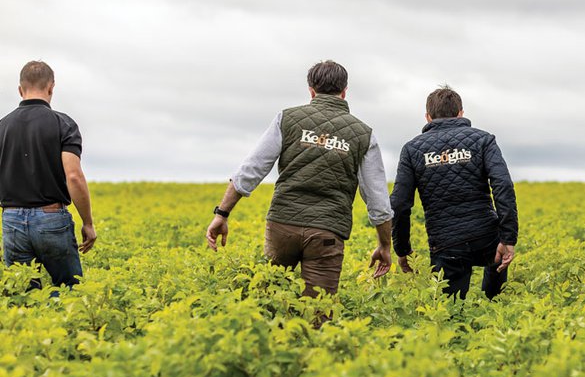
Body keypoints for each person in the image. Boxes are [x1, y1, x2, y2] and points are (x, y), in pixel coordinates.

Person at [205, 60, 393, 296]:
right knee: (318, 311)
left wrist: (222, 214)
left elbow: (251, 170)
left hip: (281, 226)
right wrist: (384, 245)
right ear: (344, 92)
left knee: (270, 299)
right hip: (328, 231)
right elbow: (377, 200)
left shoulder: (286, 119)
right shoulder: (364, 134)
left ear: (311, 91)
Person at [390, 86, 518, 299]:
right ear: (460, 113)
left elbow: (400, 204)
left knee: (448, 317)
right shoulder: (483, 140)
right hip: (486, 234)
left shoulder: (412, 150)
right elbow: (503, 186)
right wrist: (508, 238)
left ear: (428, 117)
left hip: (446, 243)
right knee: (497, 300)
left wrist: (403, 251)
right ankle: (491, 310)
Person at [0, 60, 96, 289]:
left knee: (23, 295)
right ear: (51, 87)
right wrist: (88, 222)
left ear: (20, 89)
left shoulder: (2, 126)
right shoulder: (63, 124)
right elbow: (73, 176)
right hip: (51, 217)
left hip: (11, 219)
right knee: (70, 290)